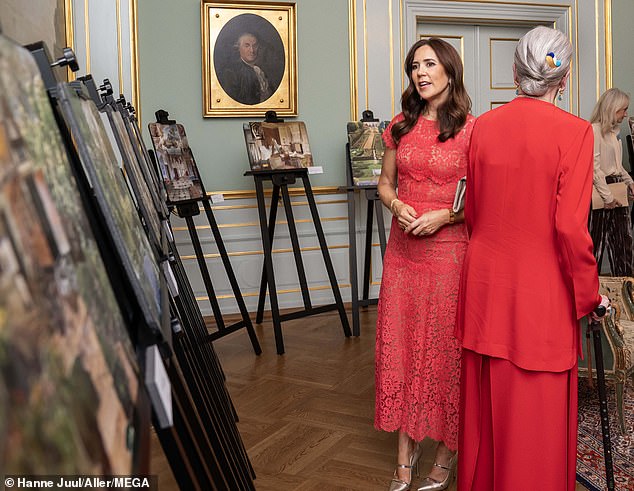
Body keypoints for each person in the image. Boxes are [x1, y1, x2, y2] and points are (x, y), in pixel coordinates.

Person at [455, 26, 608, 490]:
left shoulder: (483, 125)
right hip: (539, 298)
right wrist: (591, 296)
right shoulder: (576, 132)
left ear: (515, 72)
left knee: (484, 419)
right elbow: (568, 228)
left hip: (484, 289)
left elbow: (474, 214)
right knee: (535, 428)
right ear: (562, 80)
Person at [375, 37, 474, 491]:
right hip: (403, 255)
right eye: (415, 66)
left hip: (451, 256)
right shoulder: (399, 125)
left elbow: (483, 201)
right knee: (404, 347)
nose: (420, 73)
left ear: (449, 71)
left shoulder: (473, 131)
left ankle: (445, 452)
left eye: (430, 64)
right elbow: (384, 185)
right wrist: (397, 207)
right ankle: (405, 450)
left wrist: (446, 215)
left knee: (445, 353)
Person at [588, 88, 633, 276]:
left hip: (617, 191)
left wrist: (629, 181)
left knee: (623, 245)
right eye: (623, 109)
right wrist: (607, 197)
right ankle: (591, 295)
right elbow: (594, 168)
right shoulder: (594, 131)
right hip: (602, 192)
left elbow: (617, 166)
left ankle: (625, 293)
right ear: (612, 108)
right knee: (595, 245)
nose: (625, 114)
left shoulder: (613, 134)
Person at [220, 32, 273, 105]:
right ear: (238, 47)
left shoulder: (261, 70)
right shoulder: (231, 72)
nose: (252, 50)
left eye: (255, 45)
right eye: (247, 46)